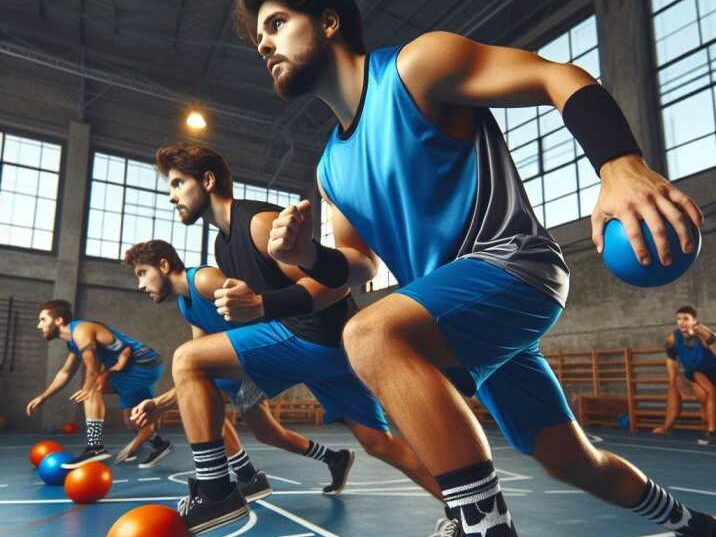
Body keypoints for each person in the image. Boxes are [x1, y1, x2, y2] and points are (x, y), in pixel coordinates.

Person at [235, 1, 714, 535]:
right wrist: (308, 259)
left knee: (368, 334)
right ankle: (692, 522)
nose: (262, 43)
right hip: (462, 312)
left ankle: (482, 524)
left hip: (514, 267)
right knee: (574, 461)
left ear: (328, 21)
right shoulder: (330, 168)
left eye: (276, 23)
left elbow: (556, 75)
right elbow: (360, 263)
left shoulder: (417, 67)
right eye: (258, 35)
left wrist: (619, 164)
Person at [152, 144, 439, 534]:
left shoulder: (257, 224)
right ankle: (469, 506)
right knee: (378, 443)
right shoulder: (223, 245)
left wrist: (261, 305)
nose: (171, 195)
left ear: (207, 180)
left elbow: (335, 286)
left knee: (189, 360)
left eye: (177, 183)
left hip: (315, 339)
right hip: (331, 351)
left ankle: (217, 493)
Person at [124, 238, 375, 498]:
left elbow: (260, 305)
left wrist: (161, 402)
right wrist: (159, 403)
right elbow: (199, 359)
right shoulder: (185, 306)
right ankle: (334, 458)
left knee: (207, 410)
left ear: (163, 265)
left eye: (142, 273)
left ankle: (239, 480)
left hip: (259, 356)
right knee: (267, 433)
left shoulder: (204, 280)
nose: (141, 284)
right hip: (238, 368)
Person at [26, 300, 172, 469]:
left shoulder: (81, 331)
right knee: (131, 422)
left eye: (43, 319)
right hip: (131, 370)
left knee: (92, 388)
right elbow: (65, 372)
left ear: (58, 320)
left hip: (143, 364)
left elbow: (92, 367)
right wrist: (43, 397)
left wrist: (89, 389)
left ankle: (95, 446)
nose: (39, 325)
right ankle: (160, 444)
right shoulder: (73, 342)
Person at [653, 306, 716, 445]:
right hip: (696, 373)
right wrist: (666, 427)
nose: (682, 322)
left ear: (694, 321)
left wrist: (710, 337)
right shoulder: (672, 339)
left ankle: (710, 430)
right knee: (705, 396)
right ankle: (711, 431)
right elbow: (672, 370)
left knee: (708, 400)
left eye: (686, 319)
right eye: (679, 319)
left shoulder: (705, 335)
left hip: (713, 371)